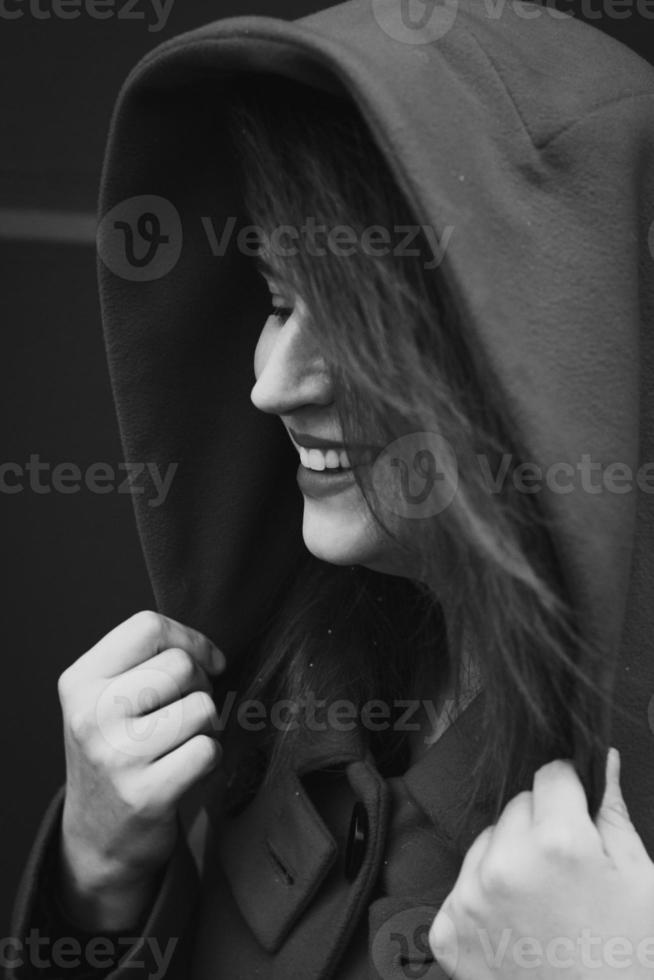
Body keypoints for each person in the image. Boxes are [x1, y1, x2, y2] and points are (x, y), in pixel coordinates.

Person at [7, 0, 654, 977]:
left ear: (554, 355)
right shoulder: (272, 695)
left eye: (354, 323)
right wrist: (94, 881)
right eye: (275, 297)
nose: (270, 384)